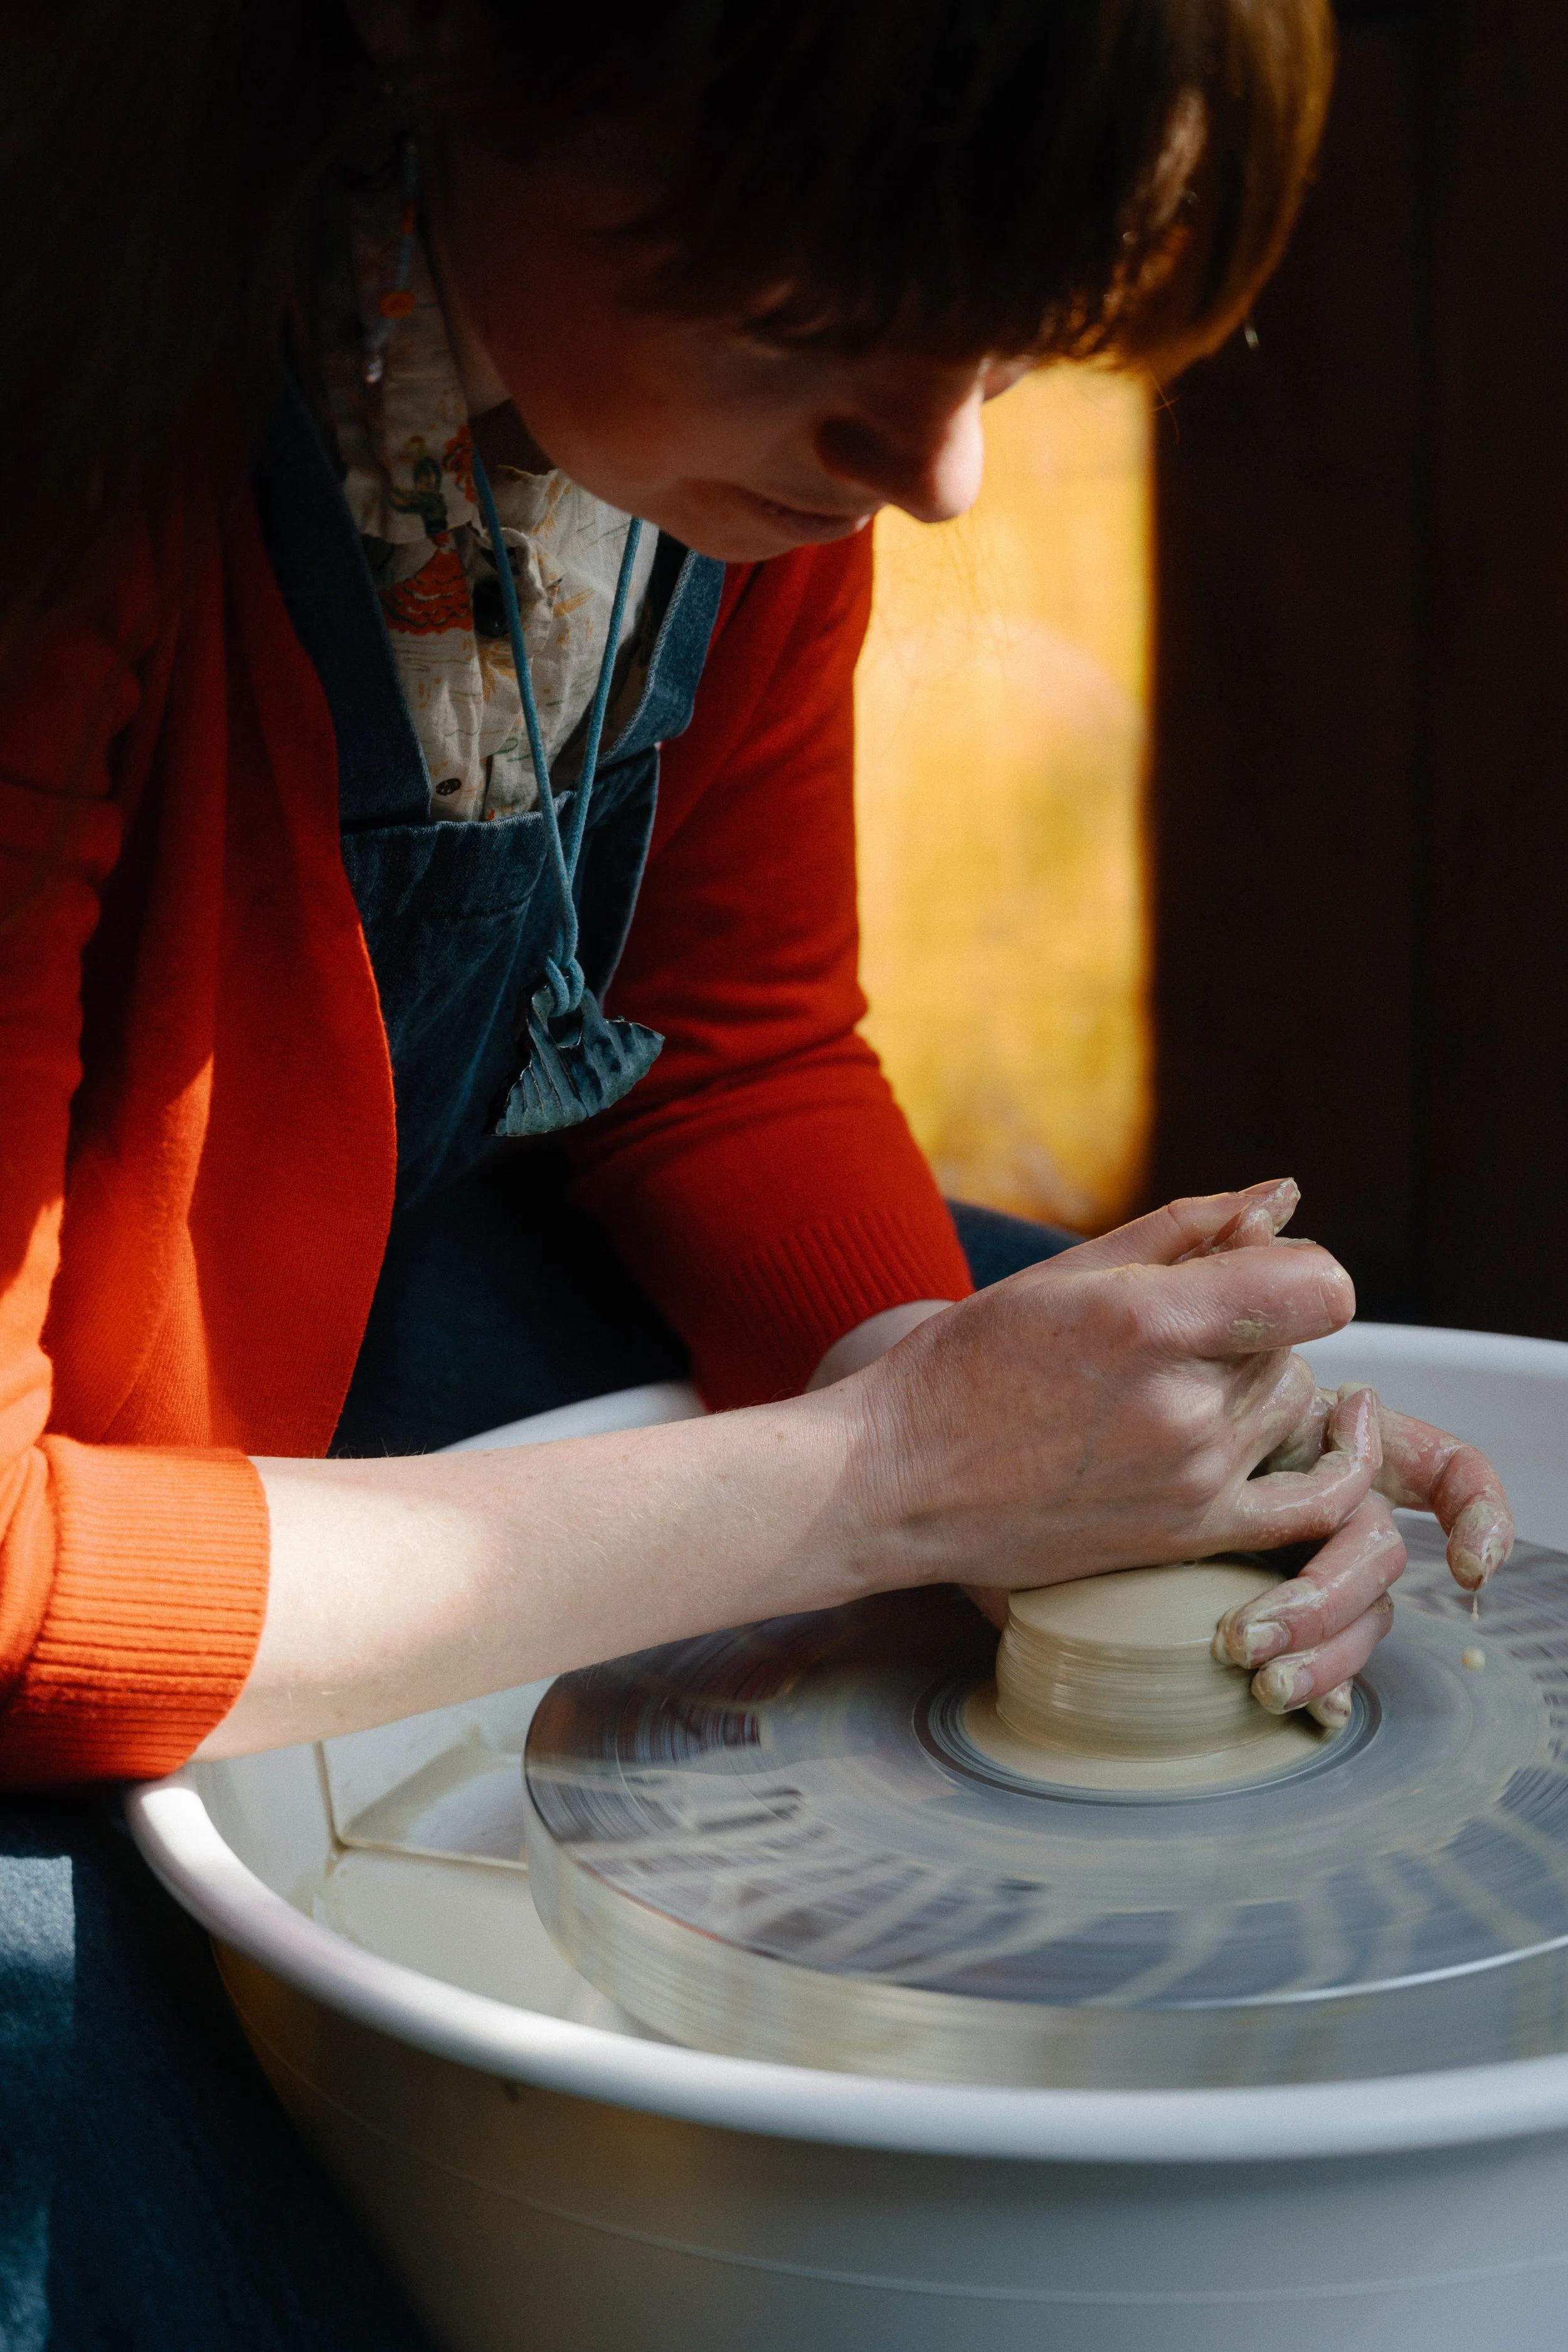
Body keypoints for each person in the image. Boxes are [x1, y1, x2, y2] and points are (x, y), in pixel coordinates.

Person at [0, 1, 1513, 2341]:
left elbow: (715, 1047)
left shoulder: (710, 425)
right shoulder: (72, 437)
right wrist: (889, 1478)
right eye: (829, 331)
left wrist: (1007, 1408)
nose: (935, 477)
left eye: (1004, 355)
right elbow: (10, 1577)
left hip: (332, 1288)